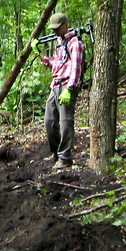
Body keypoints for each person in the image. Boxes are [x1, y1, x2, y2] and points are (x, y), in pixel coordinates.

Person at [33, 12, 84, 169]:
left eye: (57, 28)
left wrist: (69, 88)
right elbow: (54, 65)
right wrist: (39, 53)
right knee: (49, 121)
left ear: (65, 25)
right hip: (55, 85)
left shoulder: (75, 43)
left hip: (67, 86)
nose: (54, 31)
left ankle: (65, 157)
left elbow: (76, 68)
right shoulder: (59, 43)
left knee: (65, 122)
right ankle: (55, 153)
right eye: (53, 29)